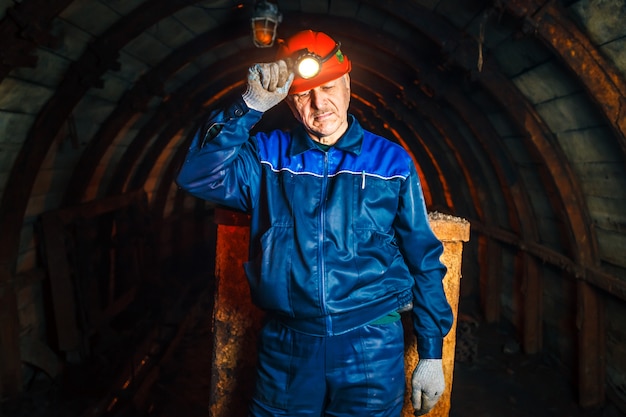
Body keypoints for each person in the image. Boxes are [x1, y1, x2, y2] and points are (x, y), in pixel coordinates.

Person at [177, 30, 453, 417]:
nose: (319, 103)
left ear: (348, 85)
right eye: (303, 95)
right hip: (288, 344)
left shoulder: (391, 162)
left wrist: (431, 352)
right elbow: (197, 175)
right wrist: (249, 106)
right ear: (289, 103)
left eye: (329, 87)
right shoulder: (266, 156)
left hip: (370, 342)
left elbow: (423, 257)